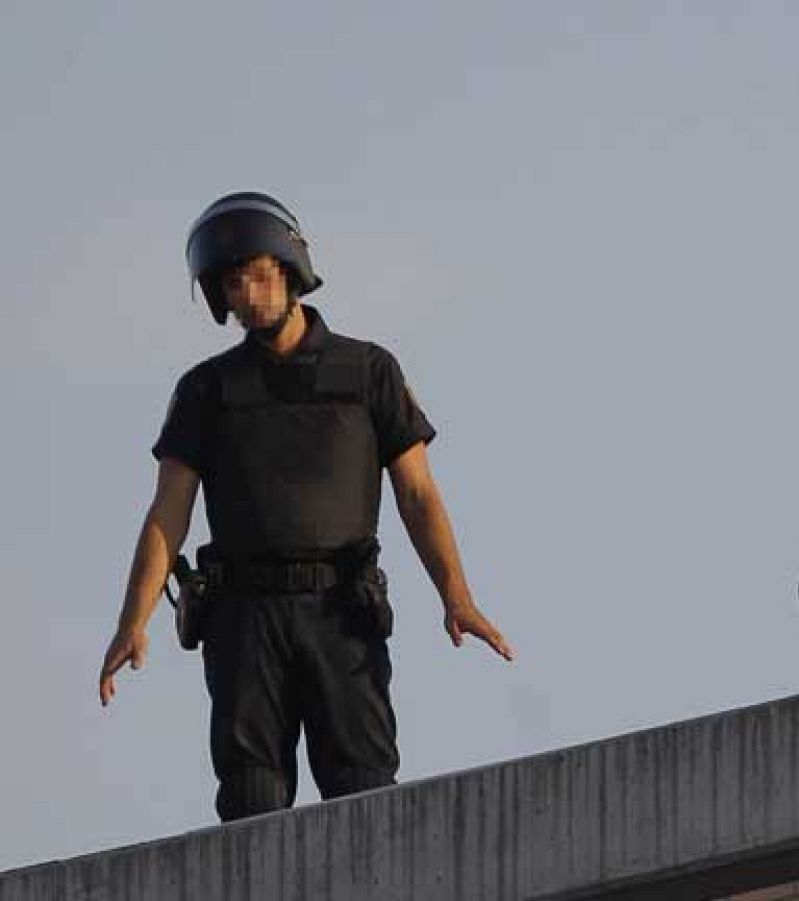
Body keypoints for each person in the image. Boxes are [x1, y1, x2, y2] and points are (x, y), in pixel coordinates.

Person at [97, 192, 513, 821]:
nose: (247, 295)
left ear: (288, 268)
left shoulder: (368, 370)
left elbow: (418, 492)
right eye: (231, 284)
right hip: (244, 619)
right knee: (251, 801)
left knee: (366, 796)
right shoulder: (206, 391)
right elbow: (167, 515)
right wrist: (133, 621)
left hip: (341, 609)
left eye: (256, 274)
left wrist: (455, 594)